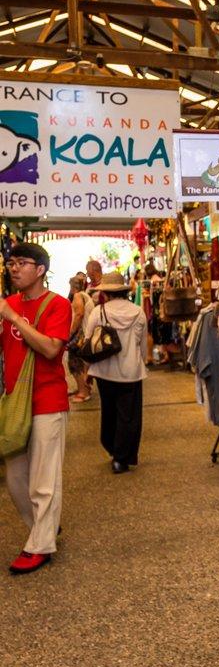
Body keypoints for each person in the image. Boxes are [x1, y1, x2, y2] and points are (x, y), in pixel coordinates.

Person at [1, 242, 72, 574]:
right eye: (10, 263)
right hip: (16, 402)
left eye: (21, 263)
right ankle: (44, 526)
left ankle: (40, 545)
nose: (13, 268)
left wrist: (14, 317)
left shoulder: (58, 305)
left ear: (40, 269)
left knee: (44, 480)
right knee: (16, 479)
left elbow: (49, 349)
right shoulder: (8, 304)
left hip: (48, 400)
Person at [83, 272, 147, 473]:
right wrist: (142, 363)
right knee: (128, 415)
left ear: (106, 293)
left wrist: (88, 371)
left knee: (109, 411)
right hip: (131, 372)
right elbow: (142, 345)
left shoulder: (98, 312)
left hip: (104, 371)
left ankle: (111, 447)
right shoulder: (138, 312)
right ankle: (121, 458)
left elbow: (89, 343)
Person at [67, 273, 93, 402]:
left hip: (80, 334)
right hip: (86, 333)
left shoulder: (78, 296)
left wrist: (71, 332)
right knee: (82, 363)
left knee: (74, 362)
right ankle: (83, 389)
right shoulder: (86, 295)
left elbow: (79, 314)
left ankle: (83, 392)